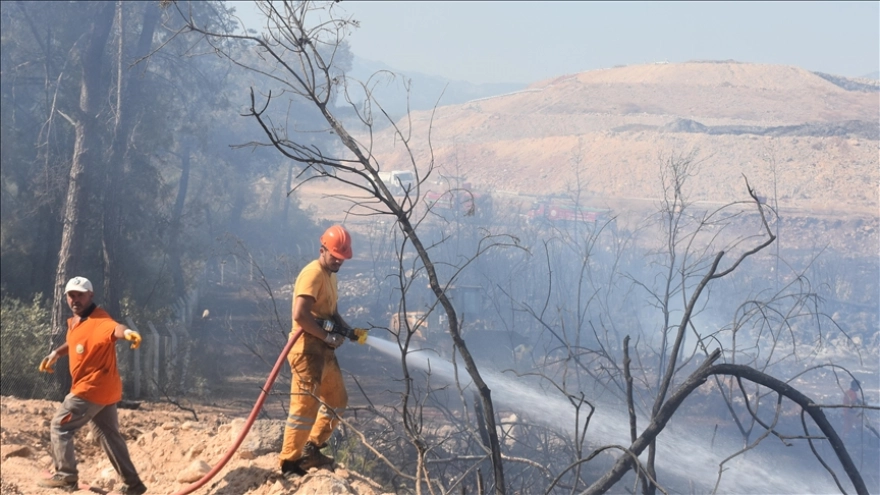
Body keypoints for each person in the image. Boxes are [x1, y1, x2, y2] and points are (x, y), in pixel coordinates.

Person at [37, 276, 147, 494]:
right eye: (72, 295)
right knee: (107, 435)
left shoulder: (99, 320)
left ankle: (67, 477)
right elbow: (76, 341)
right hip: (106, 390)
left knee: (60, 426)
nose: (75, 299)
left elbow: (115, 329)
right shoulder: (78, 322)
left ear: (91, 295)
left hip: (90, 389)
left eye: (80, 294)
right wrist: (56, 354)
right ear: (67, 297)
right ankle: (133, 484)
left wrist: (127, 333)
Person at [279, 225, 360, 477]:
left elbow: (330, 312)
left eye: (342, 258)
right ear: (321, 249)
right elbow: (301, 314)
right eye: (334, 255)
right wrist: (327, 335)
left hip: (324, 350)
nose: (338, 261)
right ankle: (289, 463)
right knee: (304, 408)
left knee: (337, 401)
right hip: (306, 350)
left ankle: (311, 449)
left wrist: (347, 330)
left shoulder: (331, 275)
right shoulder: (312, 274)